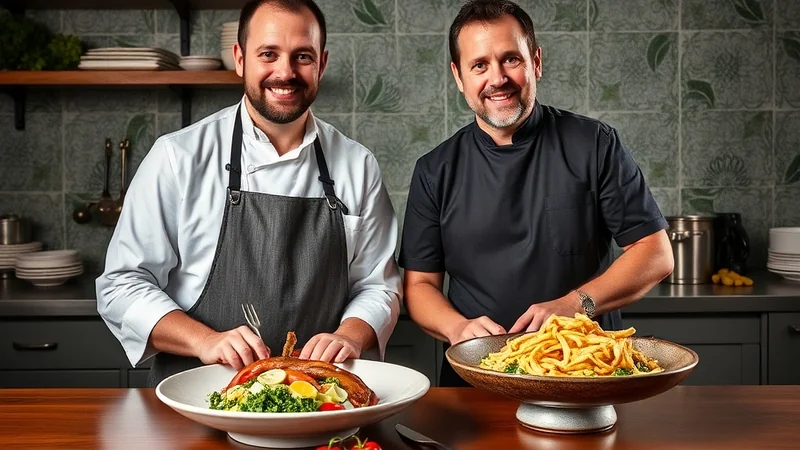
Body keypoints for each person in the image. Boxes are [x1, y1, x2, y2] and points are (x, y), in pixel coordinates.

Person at [96, 0, 401, 386]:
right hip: (199, 391)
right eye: (268, 54)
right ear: (240, 59)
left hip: (321, 400)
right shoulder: (178, 156)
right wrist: (204, 340)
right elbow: (121, 285)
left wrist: (348, 336)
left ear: (322, 64)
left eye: (302, 56)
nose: (285, 72)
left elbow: (378, 285)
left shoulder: (357, 165)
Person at [398, 0, 674, 387]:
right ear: (458, 76)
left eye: (511, 59)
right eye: (479, 65)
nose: (498, 78)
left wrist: (575, 304)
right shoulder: (434, 170)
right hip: (478, 379)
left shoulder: (594, 144)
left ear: (536, 63)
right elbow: (420, 286)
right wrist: (458, 328)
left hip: (585, 375)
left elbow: (655, 252)